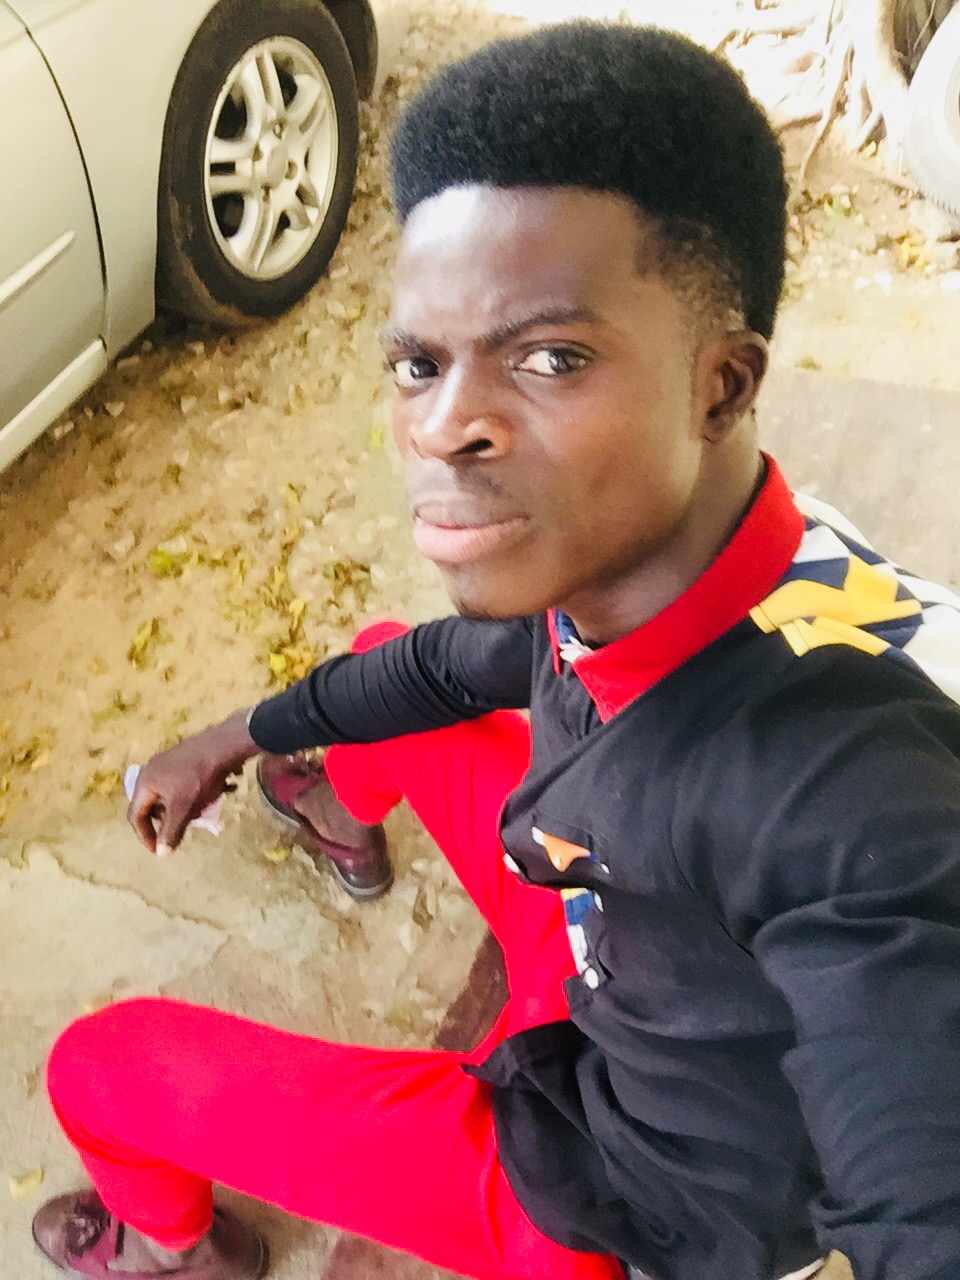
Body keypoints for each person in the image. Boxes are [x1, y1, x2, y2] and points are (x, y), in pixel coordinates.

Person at [30, 20, 960, 1280]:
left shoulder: (849, 796)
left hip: (606, 1193)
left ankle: (183, 1251)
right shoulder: (661, 561)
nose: (443, 425)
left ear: (723, 384)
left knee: (96, 1067)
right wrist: (239, 734)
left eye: (549, 356)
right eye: (419, 362)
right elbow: (441, 665)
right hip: (609, 941)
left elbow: (920, 1158)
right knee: (382, 661)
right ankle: (338, 810)